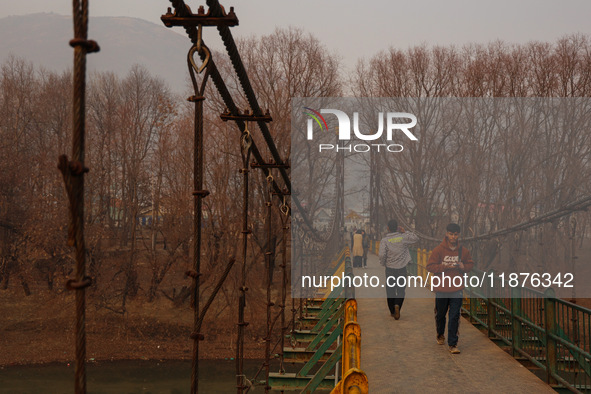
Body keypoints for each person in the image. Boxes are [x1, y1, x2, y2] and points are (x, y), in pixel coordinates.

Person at [427, 223, 474, 354]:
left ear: (458, 235)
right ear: (447, 234)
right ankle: (440, 334)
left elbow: (470, 264)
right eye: (451, 234)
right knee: (440, 315)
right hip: (441, 289)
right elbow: (429, 266)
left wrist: (463, 266)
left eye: (456, 234)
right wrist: (444, 266)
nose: (453, 237)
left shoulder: (463, 251)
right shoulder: (438, 250)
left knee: (454, 316)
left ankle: (453, 344)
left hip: (457, 289)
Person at [379, 219, 419, 320]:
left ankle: (393, 311)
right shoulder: (403, 237)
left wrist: (384, 263)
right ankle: (398, 305)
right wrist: (405, 231)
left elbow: (382, 255)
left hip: (390, 269)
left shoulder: (384, 240)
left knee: (390, 291)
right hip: (402, 269)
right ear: (397, 227)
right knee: (401, 290)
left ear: (388, 228)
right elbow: (415, 238)